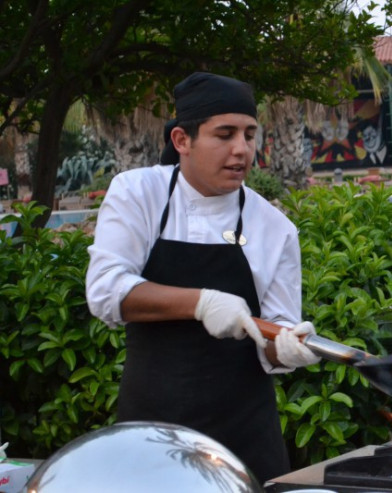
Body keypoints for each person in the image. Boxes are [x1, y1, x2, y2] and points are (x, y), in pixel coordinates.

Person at [85, 72, 320, 484]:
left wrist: (286, 350)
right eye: (224, 134)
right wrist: (201, 302)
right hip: (152, 433)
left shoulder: (274, 227)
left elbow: (274, 334)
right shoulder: (139, 193)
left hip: (246, 436)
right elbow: (105, 291)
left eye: (249, 135)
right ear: (182, 140)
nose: (241, 149)